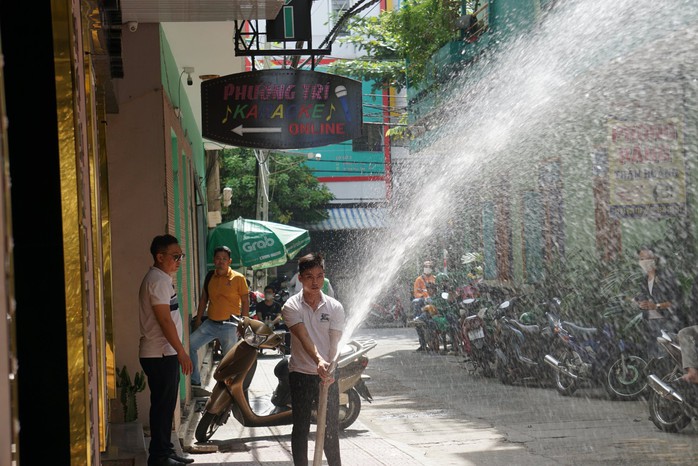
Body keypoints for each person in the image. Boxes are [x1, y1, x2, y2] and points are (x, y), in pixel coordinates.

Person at [281, 252, 345, 466]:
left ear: (324, 276)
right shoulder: (291, 306)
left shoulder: (335, 307)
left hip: (328, 376)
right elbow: (303, 337)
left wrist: (330, 366)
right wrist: (319, 360)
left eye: (319, 276)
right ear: (300, 279)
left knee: (330, 430)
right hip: (300, 373)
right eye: (309, 276)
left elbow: (335, 343)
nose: (315, 281)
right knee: (301, 428)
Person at [138, 234, 194, 466]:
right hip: (160, 353)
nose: (179, 260)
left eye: (181, 256)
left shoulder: (162, 278)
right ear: (160, 257)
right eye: (175, 256)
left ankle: (165, 450)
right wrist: (181, 351)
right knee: (162, 406)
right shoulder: (158, 280)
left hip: (163, 353)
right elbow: (164, 320)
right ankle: (159, 457)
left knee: (166, 404)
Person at [189, 245, 249, 393]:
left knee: (228, 360)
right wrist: (198, 321)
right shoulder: (210, 276)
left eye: (224, 259)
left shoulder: (238, 278)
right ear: (214, 260)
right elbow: (204, 299)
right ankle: (195, 382)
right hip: (210, 324)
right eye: (218, 258)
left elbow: (246, 301)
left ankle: (227, 390)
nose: (221, 261)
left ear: (229, 261)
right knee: (190, 345)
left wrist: (244, 323)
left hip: (230, 325)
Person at [634, 246, 684, 359]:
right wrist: (640, 304)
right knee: (653, 359)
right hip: (650, 326)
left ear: (654, 258)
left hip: (668, 324)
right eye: (641, 259)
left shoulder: (667, 277)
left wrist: (656, 305)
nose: (643, 262)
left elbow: (675, 302)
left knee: (668, 357)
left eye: (646, 258)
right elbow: (640, 298)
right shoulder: (643, 280)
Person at [256, 284, 291, 353]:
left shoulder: (277, 305)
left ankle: (287, 349)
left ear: (273, 294)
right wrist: (264, 322)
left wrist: (272, 323)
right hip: (263, 326)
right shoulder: (260, 305)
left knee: (287, 327)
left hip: (275, 326)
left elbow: (279, 316)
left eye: (269, 292)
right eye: (266, 292)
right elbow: (259, 315)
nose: (267, 294)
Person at [412, 260, 436, 351]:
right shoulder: (419, 279)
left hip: (433, 301)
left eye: (429, 266)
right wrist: (424, 297)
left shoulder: (435, 278)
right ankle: (422, 344)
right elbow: (416, 293)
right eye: (426, 266)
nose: (427, 268)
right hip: (423, 302)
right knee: (418, 320)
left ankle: (432, 342)